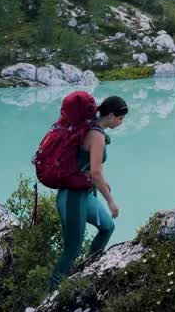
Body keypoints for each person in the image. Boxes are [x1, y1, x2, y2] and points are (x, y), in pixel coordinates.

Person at [49, 94, 128, 288]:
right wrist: (111, 201)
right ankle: (50, 295)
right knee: (71, 250)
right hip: (72, 198)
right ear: (110, 115)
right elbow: (95, 173)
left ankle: (89, 272)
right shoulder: (97, 135)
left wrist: (102, 181)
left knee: (107, 226)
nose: (121, 122)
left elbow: (85, 164)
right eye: (120, 118)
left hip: (84, 194)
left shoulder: (90, 126)